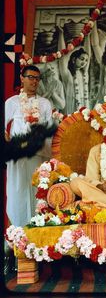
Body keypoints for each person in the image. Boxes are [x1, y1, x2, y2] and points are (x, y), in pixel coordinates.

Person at [4, 65, 53, 226]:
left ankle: (36, 229)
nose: (34, 81)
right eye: (30, 77)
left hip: (38, 155)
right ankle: (18, 231)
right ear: (22, 78)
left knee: (37, 190)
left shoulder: (45, 103)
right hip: (17, 156)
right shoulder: (11, 102)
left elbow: (49, 129)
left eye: (37, 78)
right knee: (17, 190)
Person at [58, 25, 91, 114]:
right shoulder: (67, 74)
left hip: (84, 108)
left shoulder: (84, 74)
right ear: (73, 59)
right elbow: (62, 59)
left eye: (86, 60)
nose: (84, 62)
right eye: (81, 59)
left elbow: (88, 53)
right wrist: (61, 34)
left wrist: (87, 36)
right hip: (70, 108)